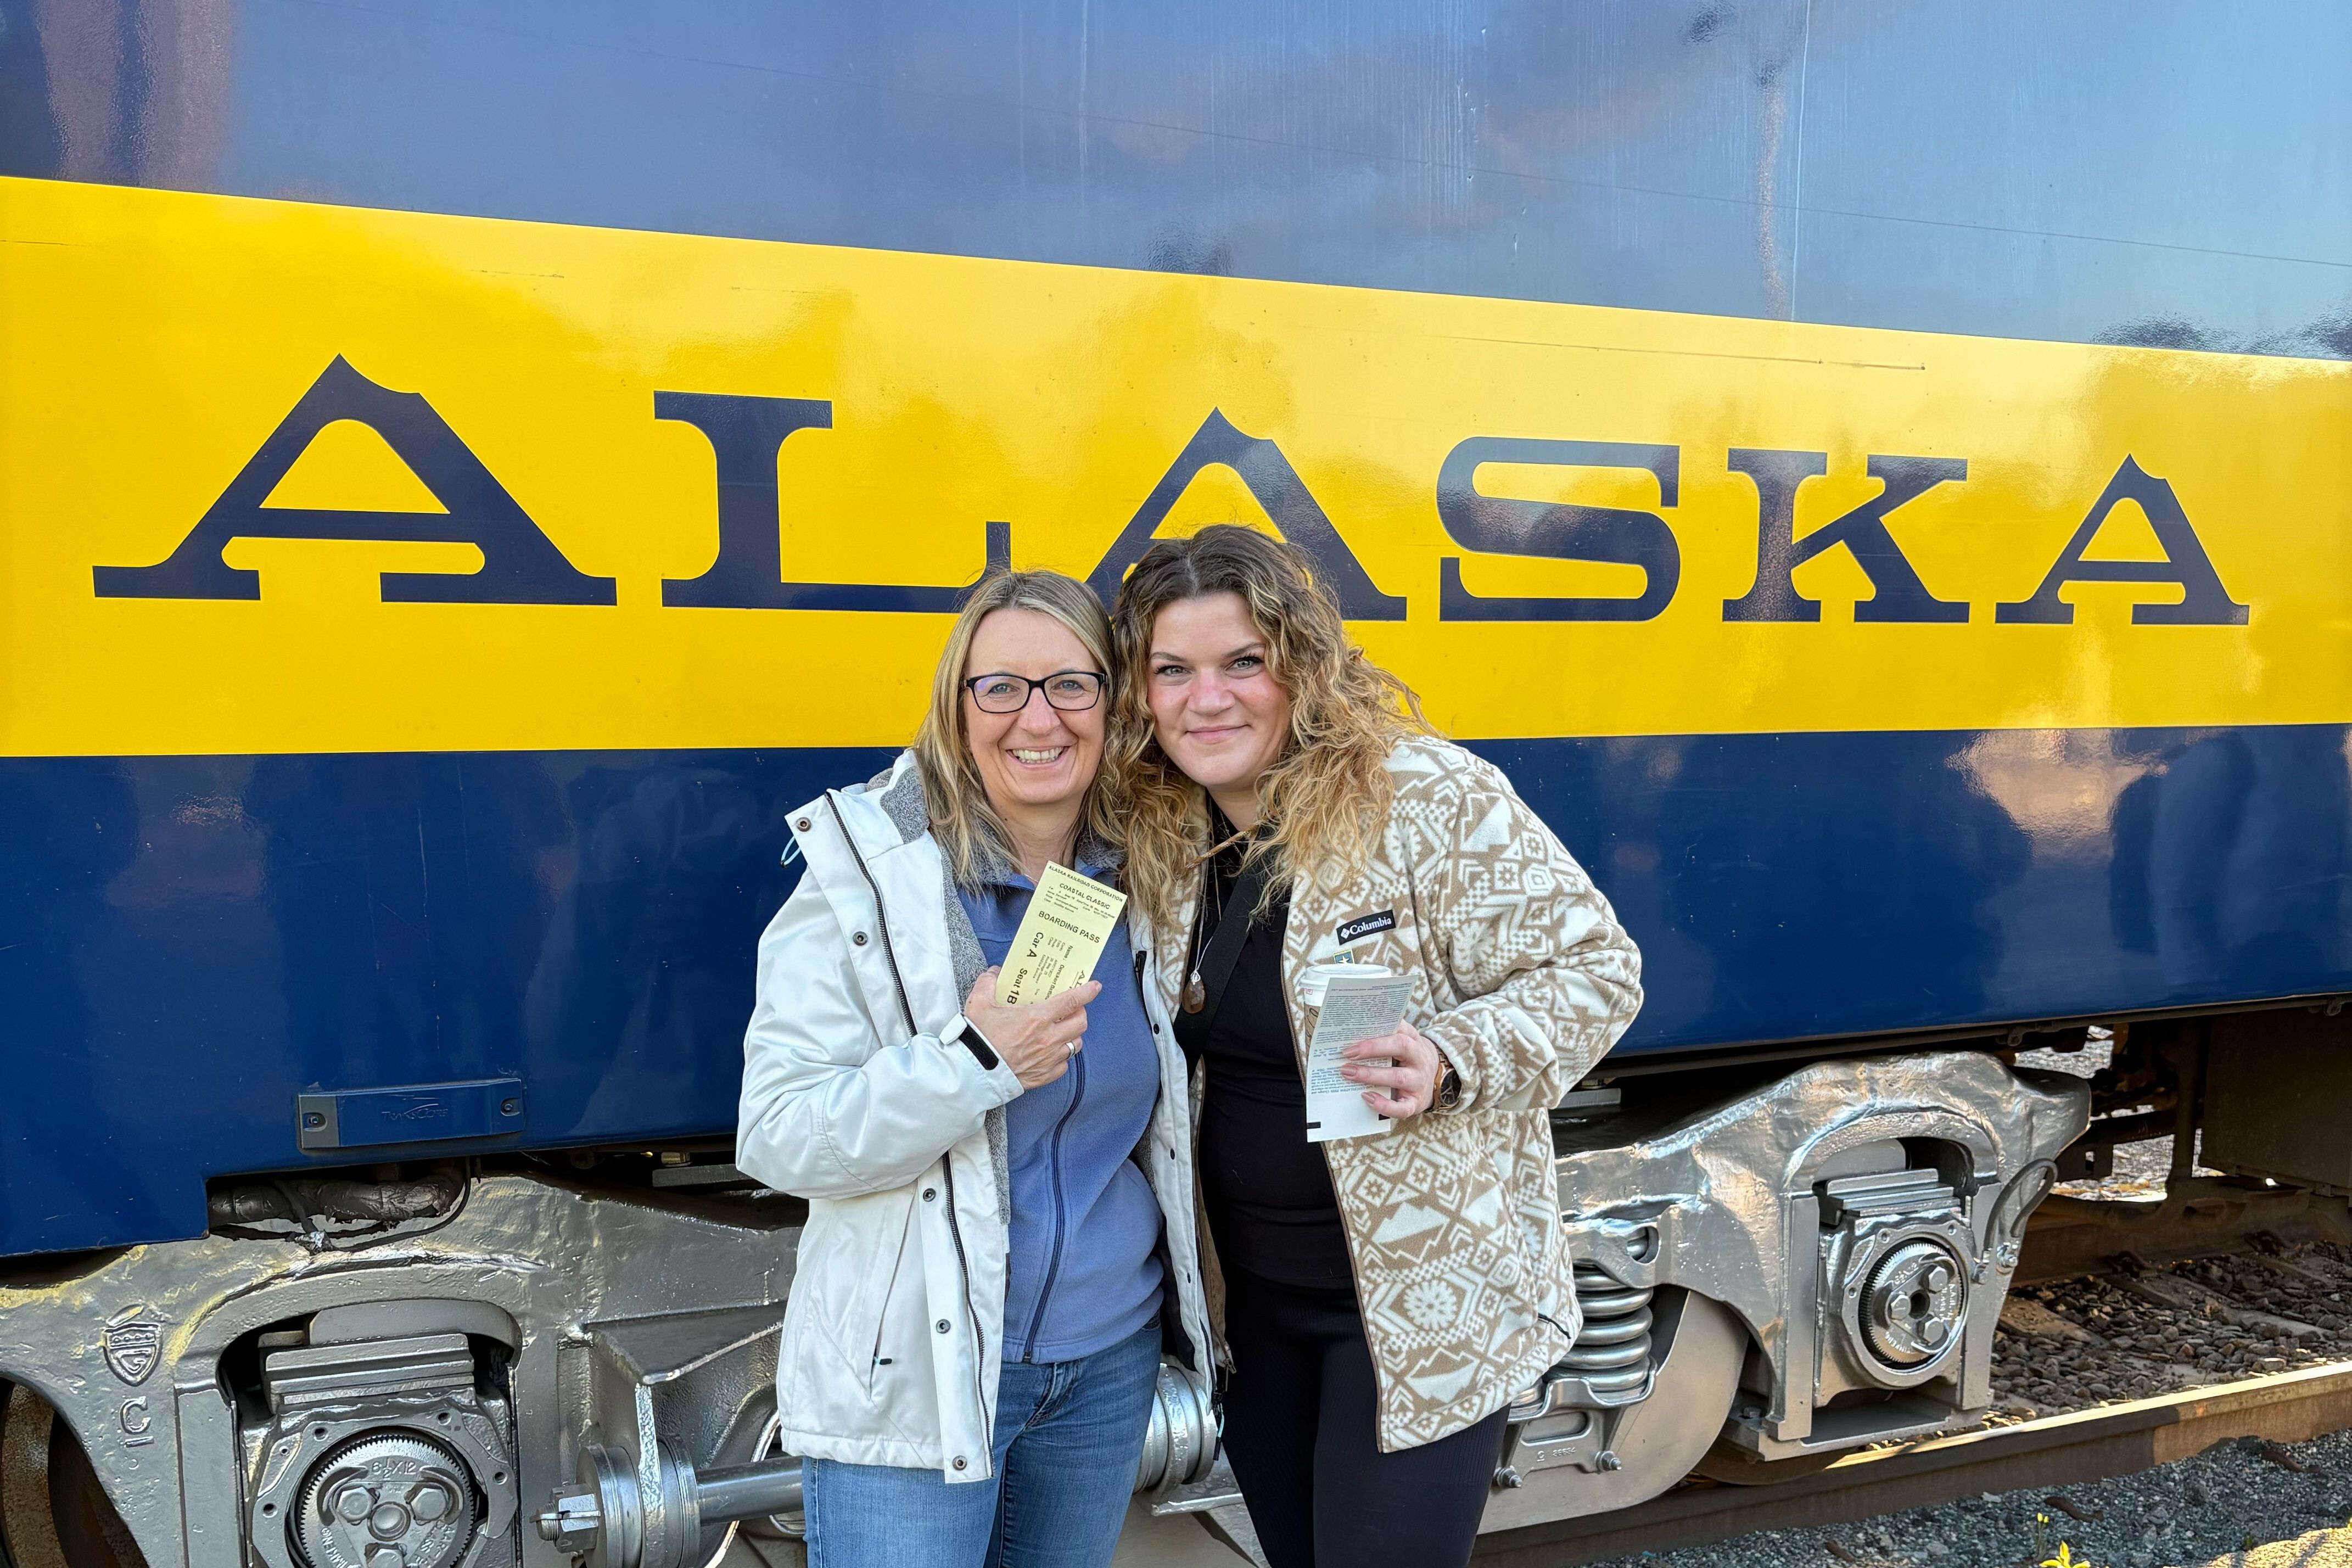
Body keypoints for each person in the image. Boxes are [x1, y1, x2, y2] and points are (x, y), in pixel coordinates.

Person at [1104, 525, 1643, 1568]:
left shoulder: (1427, 802)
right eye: (1172, 670)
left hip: (1418, 1321)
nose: (1205, 700)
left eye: (1241, 663)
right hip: (1253, 1320)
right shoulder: (1156, 838)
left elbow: (1598, 972)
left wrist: (1452, 1056)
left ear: (1301, 666)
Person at [736, 570, 1211, 1568]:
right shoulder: (866, 881)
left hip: (1103, 1368)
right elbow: (775, 1134)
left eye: (1070, 685)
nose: (1036, 718)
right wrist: (976, 1060)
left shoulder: (1153, 874)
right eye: (1000, 688)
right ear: (957, 709)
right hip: (920, 1362)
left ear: (1113, 703)